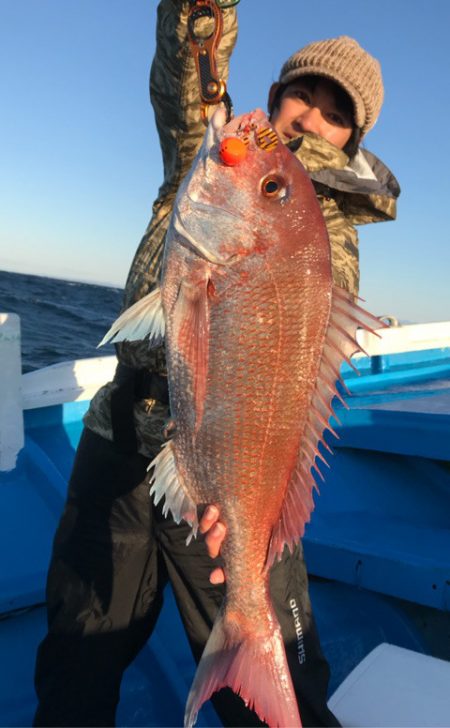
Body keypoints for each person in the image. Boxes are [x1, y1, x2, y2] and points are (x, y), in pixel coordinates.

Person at [33, 2, 400, 726]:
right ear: (274, 97)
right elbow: (190, 75)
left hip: (236, 465)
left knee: (277, 693)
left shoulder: (321, 230)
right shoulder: (222, 150)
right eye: (303, 94)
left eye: (336, 113)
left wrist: (242, 512)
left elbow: (294, 381)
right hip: (124, 431)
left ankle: (251, 645)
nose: (311, 117)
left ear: (354, 137)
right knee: (79, 648)